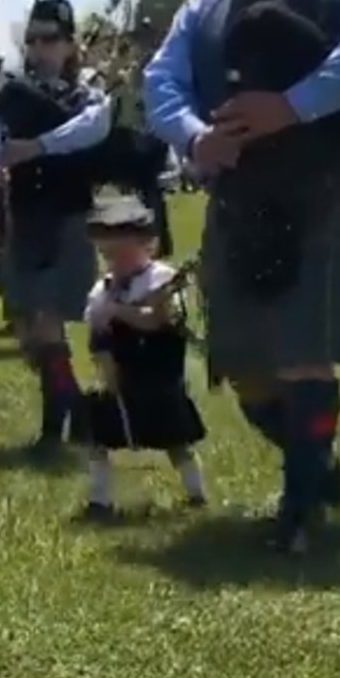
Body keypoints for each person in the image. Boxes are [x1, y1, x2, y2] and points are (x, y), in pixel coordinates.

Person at [144, 0, 340, 552]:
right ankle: (317, 468)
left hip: (326, 184)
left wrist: (292, 106)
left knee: (302, 348)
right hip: (241, 192)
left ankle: (302, 509)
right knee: (243, 364)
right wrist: (194, 136)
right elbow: (161, 78)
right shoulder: (207, 2)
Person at [0, 0, 108, 456]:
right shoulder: (14, 91)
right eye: (32, 39)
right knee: (33, 332)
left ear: (70, 44)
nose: (39, 48)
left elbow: (92, 129)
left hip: (68, 217)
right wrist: (1, 156)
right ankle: (77, 412)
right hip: (26, 216)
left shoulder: (90, 89)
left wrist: (36, 145)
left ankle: (53, 428)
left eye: (49, 39)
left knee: (47, 322)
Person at [81, 196, 207, 519]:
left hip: (156, 377)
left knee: (175, 441)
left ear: (147, 245)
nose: (115, 261)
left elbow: (157, 320)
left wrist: (120, 311)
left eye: (122, 253)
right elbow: (94, 323)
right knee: (98, 441)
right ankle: (99, 499)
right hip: (118, 379)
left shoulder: (161, 280)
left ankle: (196, 493)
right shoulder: (104, 289)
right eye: (108, 254)